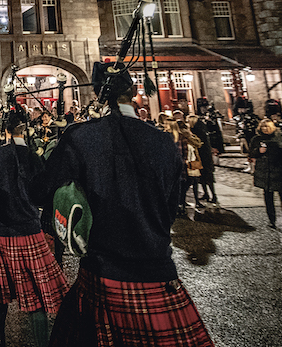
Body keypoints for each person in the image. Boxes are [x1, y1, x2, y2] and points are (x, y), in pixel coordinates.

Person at [36, 63, 213, 346]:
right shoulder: (165, 141)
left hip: (104, 274)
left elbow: (42, 191)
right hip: (157, 271)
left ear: (99, 94)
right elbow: (170, 209)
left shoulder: (81, 136)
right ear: (133, 92)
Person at [0, 111, 68, 346]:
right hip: (31, 233)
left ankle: (0, 338)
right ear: (24, 130)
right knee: (35, 297)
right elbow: (45, 193)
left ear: (4, 130)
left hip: (2, 234)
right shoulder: (35, 158)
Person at [251, 119, 282, 230]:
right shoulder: (257, 139)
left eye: (267, 126)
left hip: (279, 171)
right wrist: (258, 151)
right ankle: (271, 220)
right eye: (263, 126)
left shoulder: (280, 138)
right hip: (265, 171)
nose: (265, 129)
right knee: (268, 196)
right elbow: (251, 153)